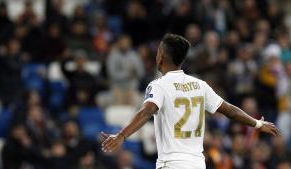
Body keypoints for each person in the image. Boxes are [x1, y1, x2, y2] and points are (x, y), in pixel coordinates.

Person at [101, 33, 280, 169]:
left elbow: (146, 111)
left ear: (160, 57)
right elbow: (230, 110)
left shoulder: (158, 85)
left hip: (171, 163)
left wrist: (122, 135)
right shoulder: (199, 85)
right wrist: (257, 124)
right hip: (197, 164)